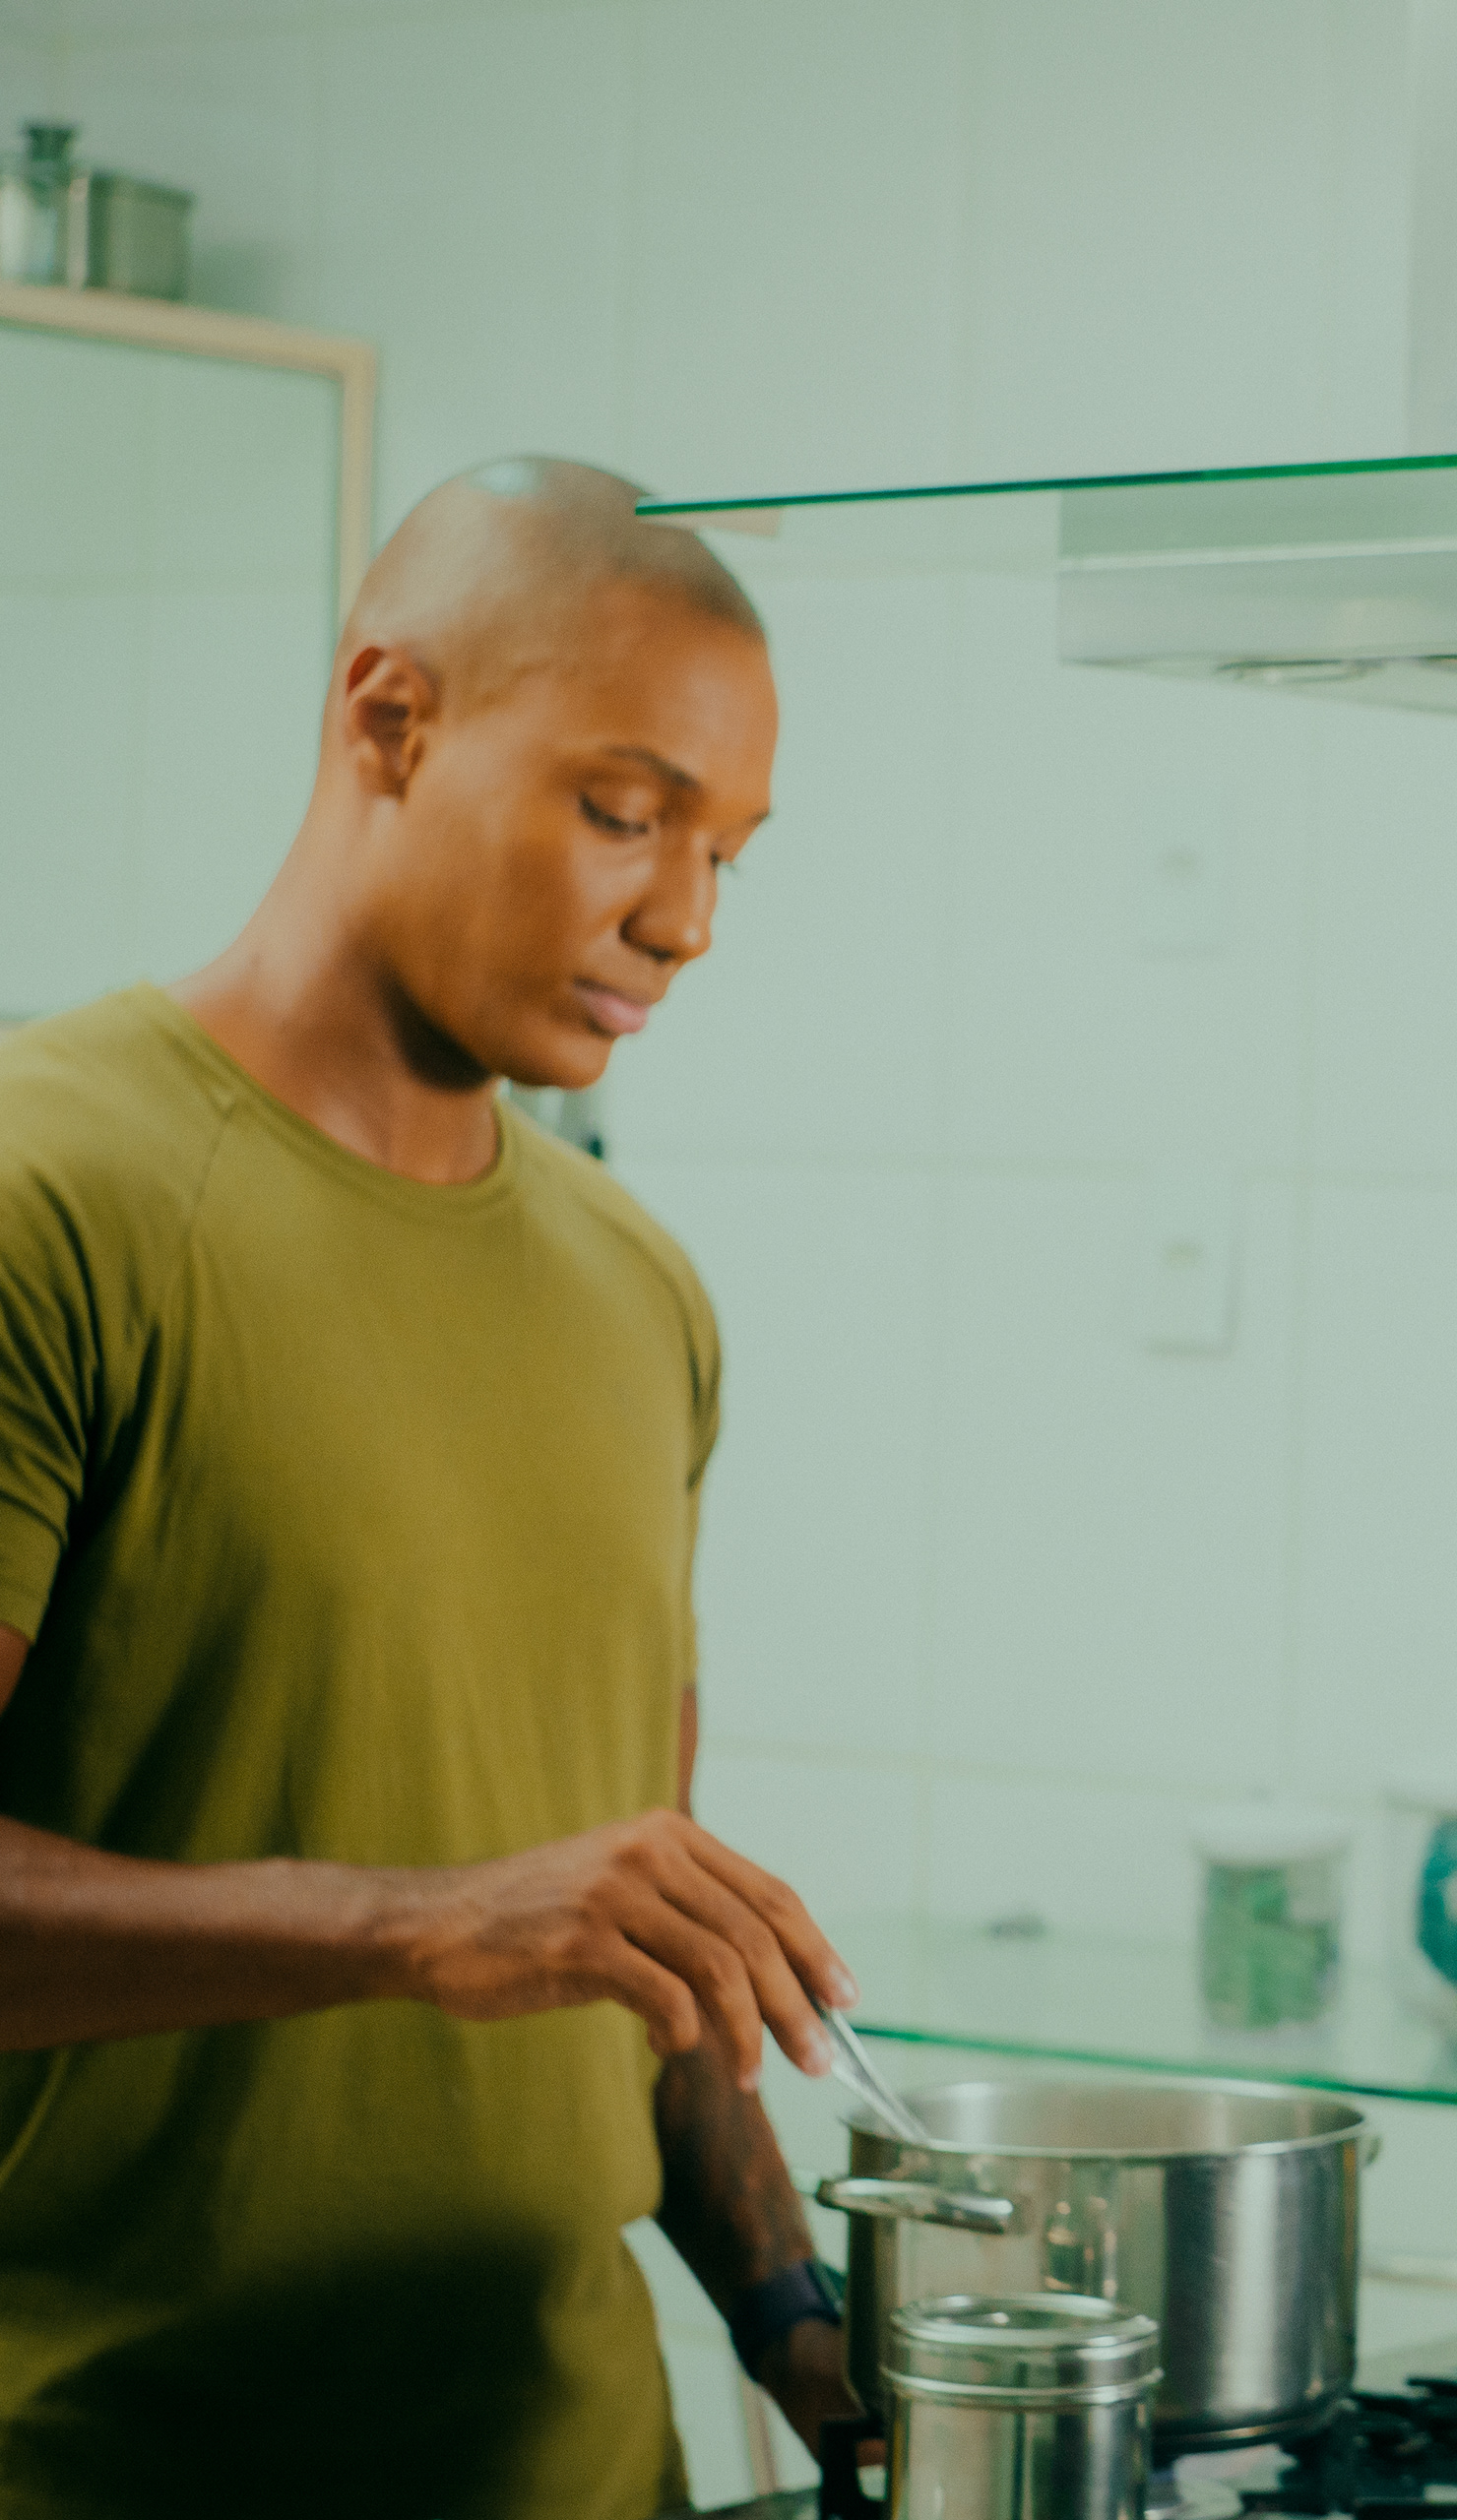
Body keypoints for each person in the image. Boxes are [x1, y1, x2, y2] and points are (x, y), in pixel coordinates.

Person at [0, 460, 855, 2516]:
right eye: (626, 811)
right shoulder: (51, 1194)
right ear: (390, 719)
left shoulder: (641, 1291)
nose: (685, 921)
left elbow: (639, 1958)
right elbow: (500, 1923)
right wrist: (420, 1924)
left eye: (726, 854)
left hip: (587, 2473)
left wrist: (806, 2334)